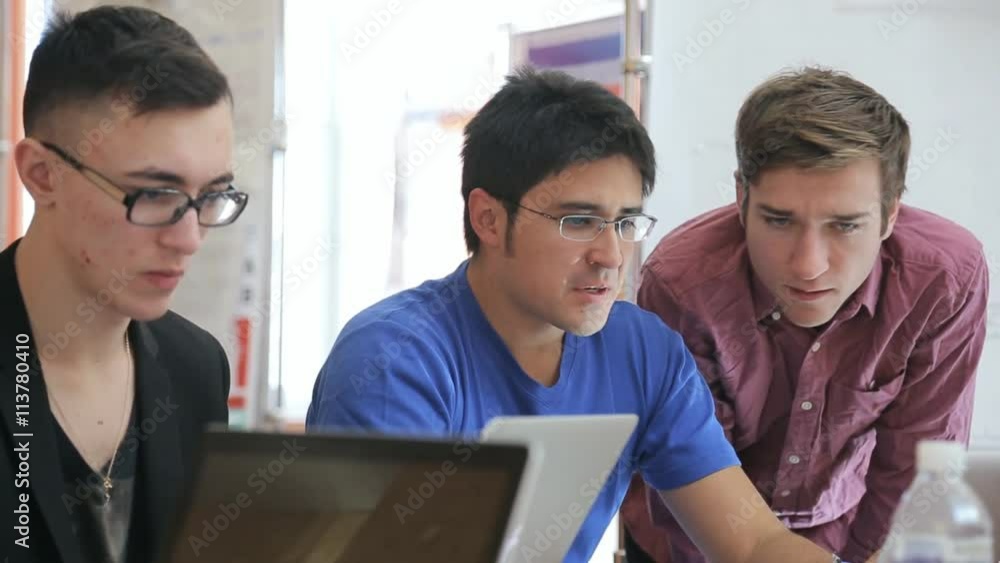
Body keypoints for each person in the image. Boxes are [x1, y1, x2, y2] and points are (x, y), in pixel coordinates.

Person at [307, 68, 840, 563]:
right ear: (488, 219)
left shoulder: (643, 352)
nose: (611, 255)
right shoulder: (394, 361)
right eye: (579, 221)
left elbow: (752, 543)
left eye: (626, 222)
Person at [622, 67, 988, 563]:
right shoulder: (684, 284)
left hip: (847, 531)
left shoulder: (944, 278)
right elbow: (694, 484)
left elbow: (918, 469)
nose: (808, 265)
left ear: (891, 214)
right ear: (740, 197)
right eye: (778, 220)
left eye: (845, 226)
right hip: (696, 539)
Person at [0, 6, 248, 563]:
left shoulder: (195, 368)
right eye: (154, 194)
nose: (188, 238)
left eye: (212, 195)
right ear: (42, 175)